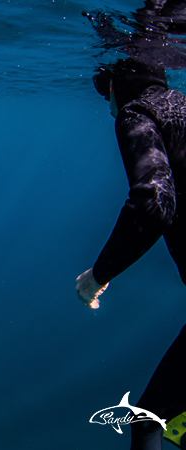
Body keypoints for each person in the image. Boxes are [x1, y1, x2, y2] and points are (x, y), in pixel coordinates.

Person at [75, 58, 186, 449]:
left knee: (149, 423)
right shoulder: (183, 108)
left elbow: (155, 202)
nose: (107, 105)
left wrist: (99, 274)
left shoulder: (137, 112)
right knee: (174, 421)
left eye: (105, 89)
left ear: (117, 86)